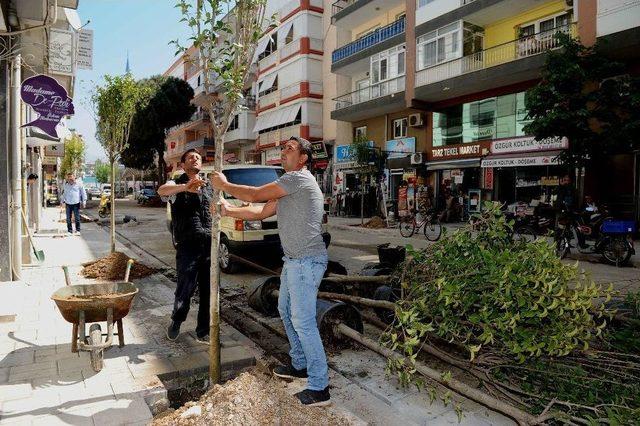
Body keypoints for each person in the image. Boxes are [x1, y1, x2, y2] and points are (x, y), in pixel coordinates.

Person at [210, 136, 331, 407]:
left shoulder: (298, 179)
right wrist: (228, 209)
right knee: (285, 310)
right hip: (294, 261)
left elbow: (254, 194)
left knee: (303, 321)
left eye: (290, 149)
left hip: (306, 262)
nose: (283, 152)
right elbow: (260, 212)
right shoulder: (289, 186)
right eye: (283, 148)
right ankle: (299, 364)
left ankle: (320, 386)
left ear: (303, 158)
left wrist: (225, 185)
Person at [158, 149, 212, 344]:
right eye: (190, 157)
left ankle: (203, 331)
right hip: (188, 246)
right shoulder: (175, 184)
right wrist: (185, 187)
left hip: (208, 246)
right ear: (182, 165)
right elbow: (162, 191)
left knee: (208, 291)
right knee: (185, 288)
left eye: (198, 157)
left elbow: (218, 206)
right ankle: (177, 320)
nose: (195, 159)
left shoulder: (208, 186)